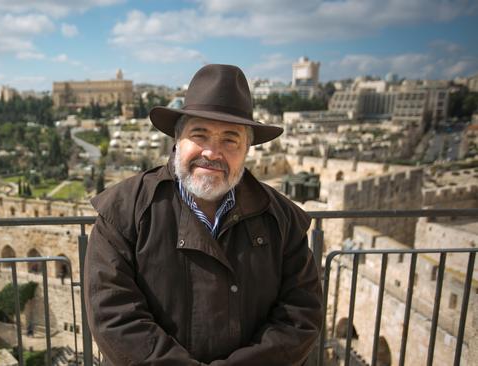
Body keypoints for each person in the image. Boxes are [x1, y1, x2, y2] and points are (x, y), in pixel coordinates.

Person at [83, 64, 323, 365]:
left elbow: (300, 316)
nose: (212, 152)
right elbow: (113, 317)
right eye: (200, 134)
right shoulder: (123, 211)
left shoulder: (283, 220)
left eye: (230, 139)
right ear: (177, 139)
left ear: (247, 148)